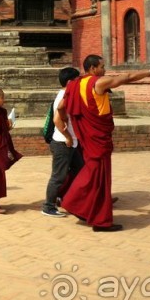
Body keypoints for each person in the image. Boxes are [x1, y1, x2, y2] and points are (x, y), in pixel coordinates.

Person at [59, 55, 150, 232]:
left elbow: (61, 107)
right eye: (102, 66)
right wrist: (149, 72)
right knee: (97, 176)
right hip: (97, 138)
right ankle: (96, 218)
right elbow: (126, 78)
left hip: (89, 138)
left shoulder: (74, 85)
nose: (104, 70)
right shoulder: (97, 83)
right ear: (93, 68)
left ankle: (85, 209)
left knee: (93, 173)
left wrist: (65, 122)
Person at [42, 67, 84, 218]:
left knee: (80, 170)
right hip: (62, 143)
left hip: (70, 143)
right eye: (77, 80)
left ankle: (68, 198)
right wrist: (68, 136)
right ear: (70, 82)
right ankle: (48, 206)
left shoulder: (67, 95)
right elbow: (56, 120)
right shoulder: (63, 97)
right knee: (58, 176)